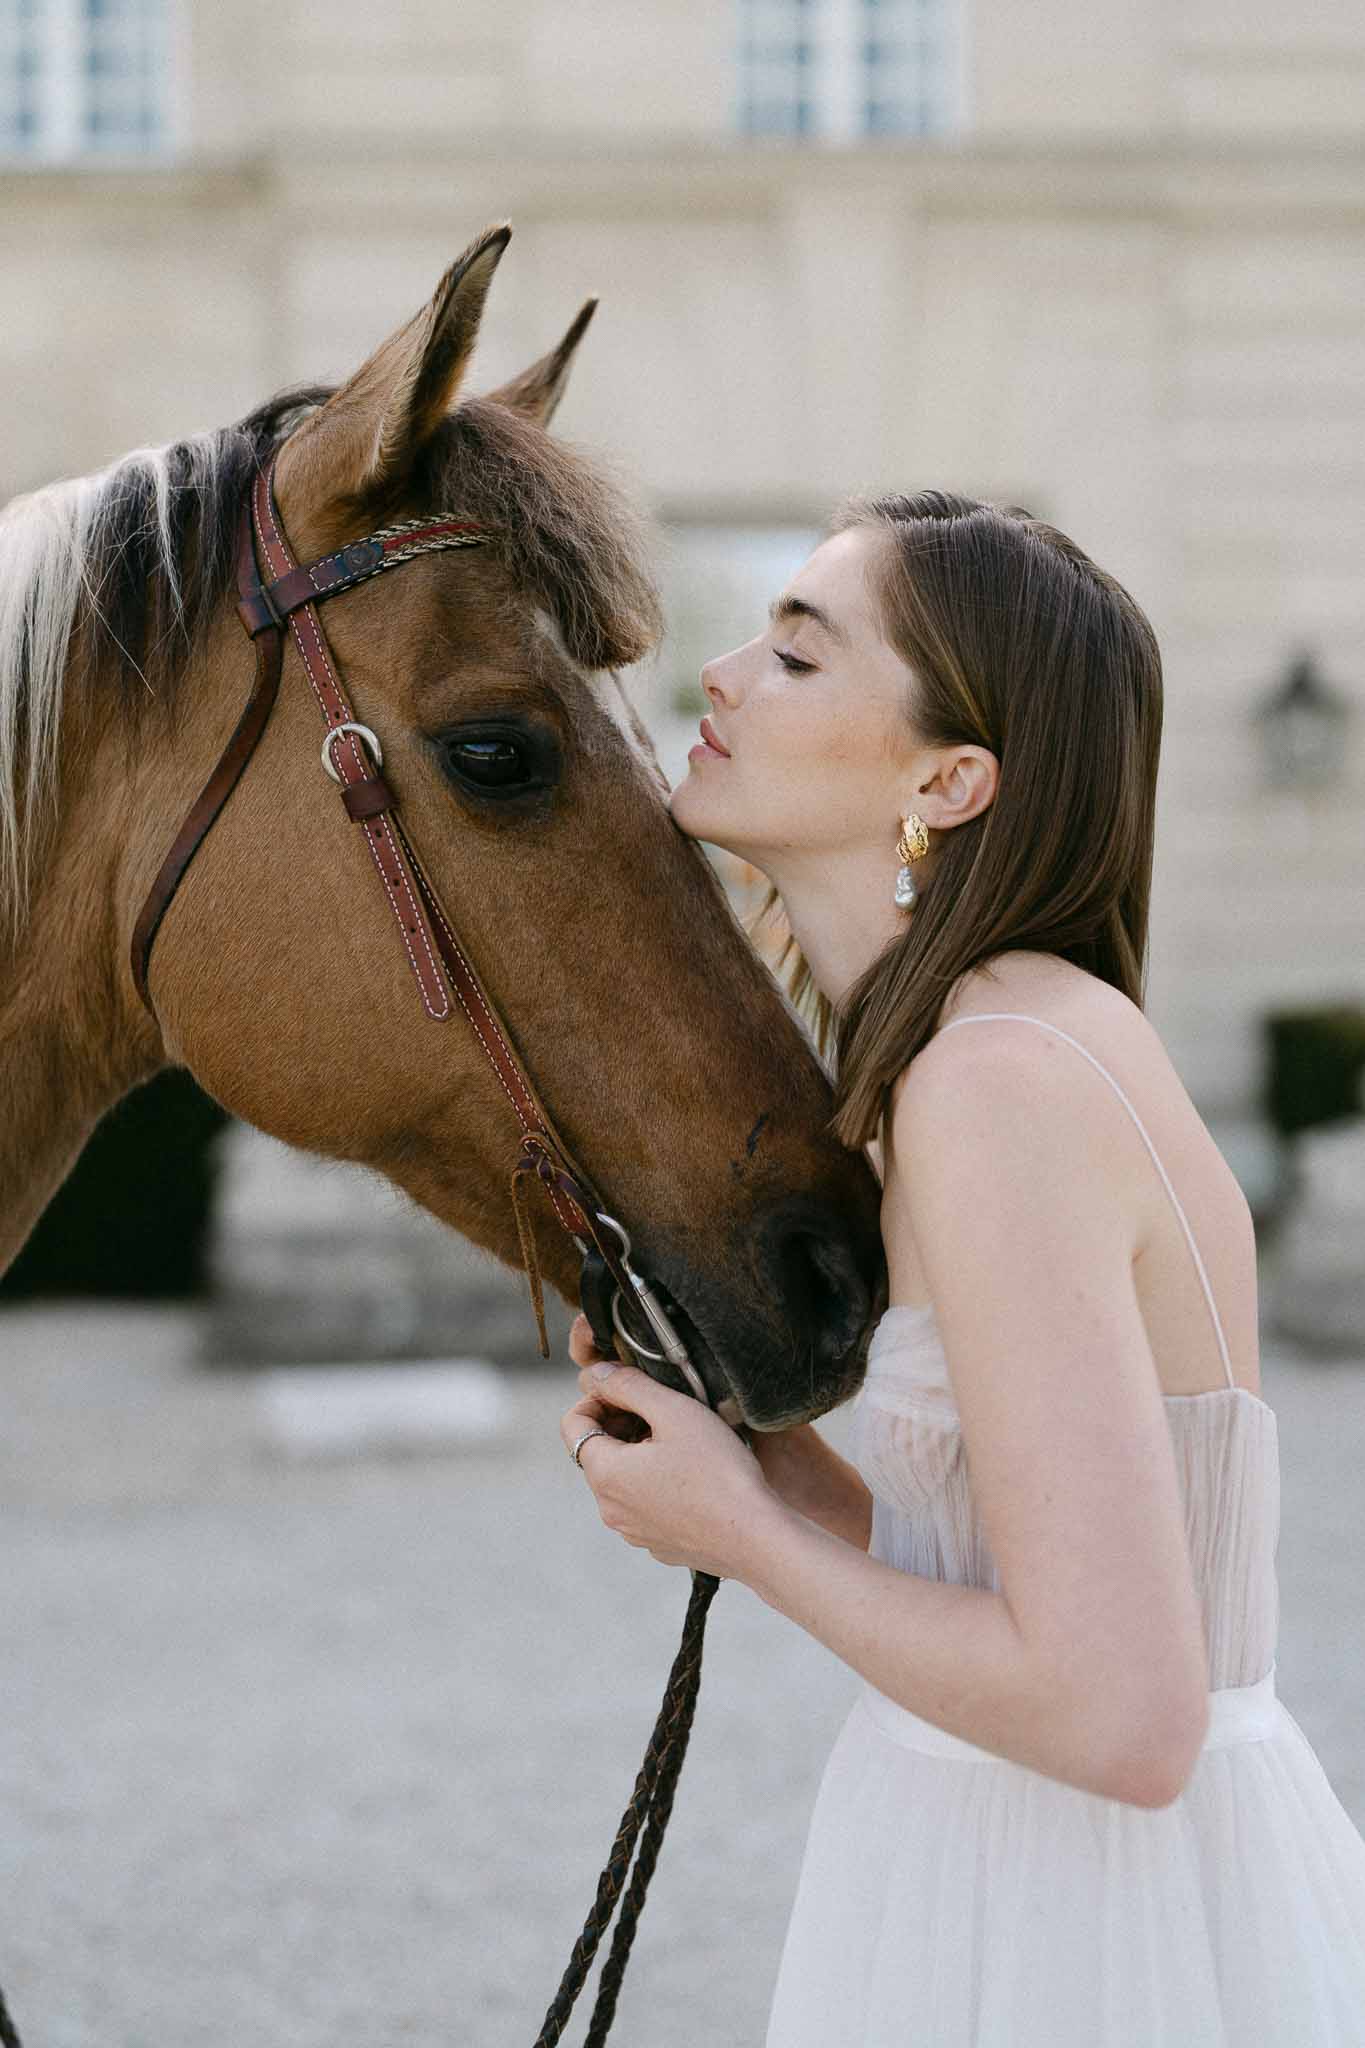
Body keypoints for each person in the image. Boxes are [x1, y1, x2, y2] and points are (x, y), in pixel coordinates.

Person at [558, 489, 1365, 2044]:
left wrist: (743, 1534)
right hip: (1062, 1861)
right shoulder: (1008, 1035)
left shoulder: (991, 1080)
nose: (717, 673)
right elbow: (1033, 1577)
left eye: (795, 654)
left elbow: (1124, 1717)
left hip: (1077, 1908)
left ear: (948, 775)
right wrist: (783, 1475)